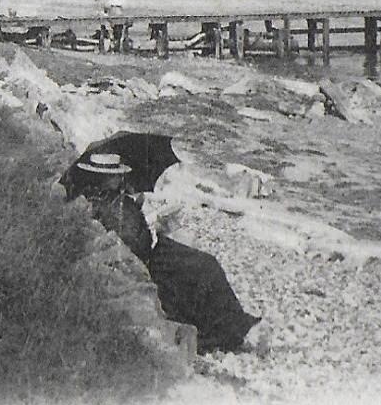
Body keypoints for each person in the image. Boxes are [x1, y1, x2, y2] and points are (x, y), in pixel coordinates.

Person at [76, 152, 261, 354]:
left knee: (204, 264)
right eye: (112, 176)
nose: (118, 179)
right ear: (100, 177)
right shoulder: (99, 204)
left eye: (117, 175)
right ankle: (219, 333)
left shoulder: (117, 200)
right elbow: (126, 242)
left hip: (150, 251)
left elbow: (133, 233)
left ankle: (227, 327)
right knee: (202, 268)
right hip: (140, 262)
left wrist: (145, 216)